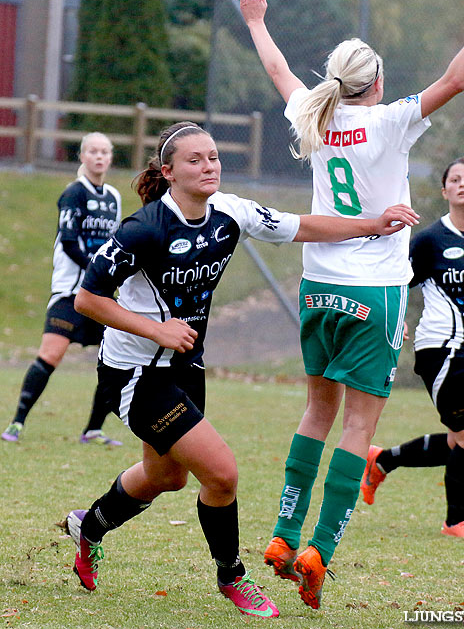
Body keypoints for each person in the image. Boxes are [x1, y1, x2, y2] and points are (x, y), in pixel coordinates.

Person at [236, 0, 464, 608]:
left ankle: (283, 534)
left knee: (316, 411)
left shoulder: (312, 114)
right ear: (378, 82)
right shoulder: (391, 122)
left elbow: (280, 69)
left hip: (318, 286)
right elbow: (457, 80)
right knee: (359, 425)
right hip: (376, 292)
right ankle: (319, 552)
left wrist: (256, 19)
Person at [64, 121, 418, 620]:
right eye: (195, 160)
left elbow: (302, 226)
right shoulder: (143, 229)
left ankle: (90, 526)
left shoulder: (230, 211)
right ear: (168, 172)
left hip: (185, 367)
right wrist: (156, 330)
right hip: (136, 374)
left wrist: (371, 223)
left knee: (167, 477)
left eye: (213, 157)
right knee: (223, 475)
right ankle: (233, 576)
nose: (209, 166)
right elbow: (87, 298)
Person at [361, 157, 464, 542]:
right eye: (455, 180)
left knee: (463, 438)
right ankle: (456, 521)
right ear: (445, 191)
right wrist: (399, 318)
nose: (463, 185)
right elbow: (397, 281)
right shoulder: (431, 240)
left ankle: (382, 460)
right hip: (442, 348)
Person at [2, 132, 123, 445]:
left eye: (104, 152)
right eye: (92, 151)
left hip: (100, 294)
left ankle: (93, 429)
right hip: (71, 291)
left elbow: (114, 243)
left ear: (110, 158)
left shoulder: (113, 196)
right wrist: (96, 270)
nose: (98, 157)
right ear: (82, 157)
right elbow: (69, 242)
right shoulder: (74, 193)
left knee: (114, 361)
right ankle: (16, 423)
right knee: (50, 355)